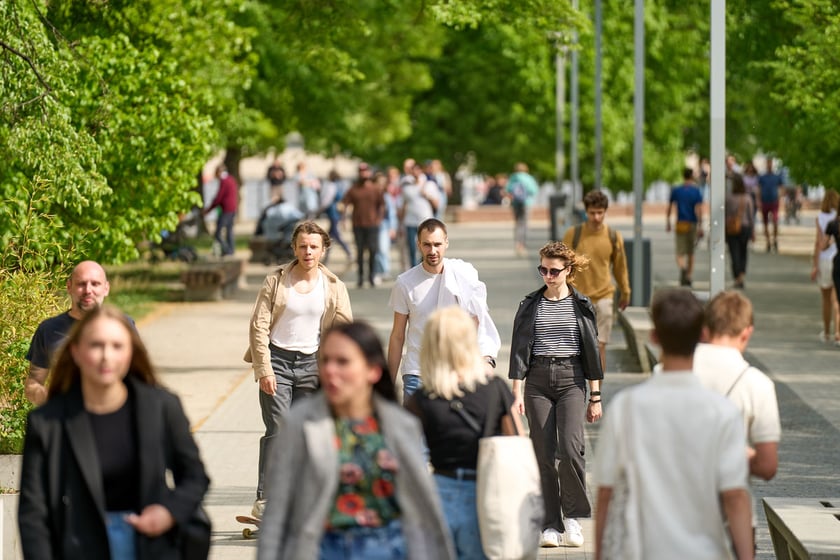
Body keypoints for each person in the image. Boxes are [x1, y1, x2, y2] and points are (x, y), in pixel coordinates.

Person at [18, 306, 210, 560]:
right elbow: (33, 510)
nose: (106, 356)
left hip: (150, 545)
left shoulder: (162, 406)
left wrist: (168, 513)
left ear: (131, 351)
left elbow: (195, 477)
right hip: (78, 546)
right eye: (96, 345)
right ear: (75, 352)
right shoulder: (47, 422)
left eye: (117, 346)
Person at [256, 321, 456, 560]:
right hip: (323, 549)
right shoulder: (299, 424)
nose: (330, 370)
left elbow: (425, 508)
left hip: (389, 549)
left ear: (373, 370)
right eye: (326, 360)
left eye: (343, 361)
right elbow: (277, 512)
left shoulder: (401, 425)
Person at [593, 289, 752, 560]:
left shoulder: (626, 407)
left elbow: (606, 491)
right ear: (702, 335)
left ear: (654, 337)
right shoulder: (722, 413)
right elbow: (735, 496)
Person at [244, 221, 353, 519]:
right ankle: (266, 500)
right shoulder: (276, 281)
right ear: (294, 248)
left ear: (323, 250)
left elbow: (344, 334)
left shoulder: (334, 287)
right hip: (277, 362)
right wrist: (264, 368)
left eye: (314, 246)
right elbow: (259, 325)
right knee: (278, 428)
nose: (308, 251)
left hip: (312, 365)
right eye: (303, 246)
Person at [405, 307, 522, 560]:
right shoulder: (495, 389)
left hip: (439, 495)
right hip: (486, 495)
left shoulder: (422, 398)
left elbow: (401, 458)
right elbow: (518, 444)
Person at [508, 241, 602, 549]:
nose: (548, 276)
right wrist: (516, 392)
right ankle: (550, 523)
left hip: (571, 379)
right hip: (537, 381)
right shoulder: (530, 305)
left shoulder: (582, 305)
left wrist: (595, 396)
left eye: (554, 271)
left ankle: (572, 518)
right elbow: (519, 352)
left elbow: (591, 354)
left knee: (571, 450)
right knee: (543, 453)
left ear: (568, 270)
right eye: (543, 270)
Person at [694, 291, 781, 539]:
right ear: (747, 333)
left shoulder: (667, 373)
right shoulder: (758, 384)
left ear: (705, 329)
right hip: (730, 524)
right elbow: (767, 466)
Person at [388, 218, 501, 402]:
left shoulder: (462, 275)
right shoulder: (404, 283)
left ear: (446, 243)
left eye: (437, 244)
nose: (433, 251)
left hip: (455, 371)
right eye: (427, 245)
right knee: (414, 430)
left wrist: (484, 359)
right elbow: (397, 335)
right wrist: (388, 384)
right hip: (417, 372)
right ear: (418, 245)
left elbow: (478, 322)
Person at [25, 260, 121, 405]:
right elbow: (33, 383)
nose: (88, 290)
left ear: (106, 288)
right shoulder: (48, 329)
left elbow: (139, 379)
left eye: (95, 284)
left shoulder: (122, 327)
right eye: (81, 284)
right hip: (66, 421)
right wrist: (52, 400)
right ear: (69, 287)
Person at [563, 190, 631, 372]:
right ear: (586, 212)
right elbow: (562, 265)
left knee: (599, 346)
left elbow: (620, 267)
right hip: (577, 297)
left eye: (600, 212)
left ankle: (596, 395)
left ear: (606, 212)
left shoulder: (613, 236)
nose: (596, 217)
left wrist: (625, 292)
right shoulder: (573, 234)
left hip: (604, 296)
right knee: (576, 348)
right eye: (592, 212)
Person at [342, 170, 386, 288]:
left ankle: (371, 275)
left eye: (366, 172)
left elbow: (382, 204)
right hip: (358, 224)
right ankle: (360, 277)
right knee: (360, 251)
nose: (364, 175)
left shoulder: (375, 189)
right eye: (361, 172)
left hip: (372, 225)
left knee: (373, 250)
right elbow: (345, 203)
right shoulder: (354, 189)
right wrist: (344, 219)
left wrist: (379, 219)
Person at [666, 167, 704, 286]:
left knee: (679, 252)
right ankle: (688, 275)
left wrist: (667, 221)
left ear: (683, 176)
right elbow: (699, 209)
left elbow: (670, 206)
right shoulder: (696, 191)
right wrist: (700, 225)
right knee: (691, 252)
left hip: (681, 223)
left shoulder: (677, 190)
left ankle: (682, 268)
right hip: (692, 223)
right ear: (692, 176)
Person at [812, 189, 840, 344]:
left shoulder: (821, 218)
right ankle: (838, 332)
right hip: (837, 259)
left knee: (825, 298)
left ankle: (827, 331)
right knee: (836, 299)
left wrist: (814, 265)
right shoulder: (838, 219)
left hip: (824, 259)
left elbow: (818, 243)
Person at [399, 162, 439, 268]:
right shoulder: (406, 186)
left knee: (425, 247)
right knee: (412, 248)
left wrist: (427, 195)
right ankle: (413, 269)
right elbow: (403, 205)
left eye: (418, 170)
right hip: (410, 221)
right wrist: (400, 223)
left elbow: (436, 204)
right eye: (413, 170)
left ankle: (424, 267)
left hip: (425, 221)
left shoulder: (429, 184)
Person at [725, 173, 756, 289]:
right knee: (743, 252)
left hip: (732, 229)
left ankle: (737, 277)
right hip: (745, 227)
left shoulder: (728, 198)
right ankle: (741, 276)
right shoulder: (747, 198)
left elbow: (726, 215)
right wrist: (753, 231)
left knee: (734, 253)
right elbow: (751, 216)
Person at [203, 164, 238, 256]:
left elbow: (219, 197)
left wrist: (209, 209)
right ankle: (231, 250)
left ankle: (227, 250)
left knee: (218, 233)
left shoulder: (224, 181)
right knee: (229, 231)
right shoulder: (231, 179)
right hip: (232, 208)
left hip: (226, 209)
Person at [506, 163, 539, 256]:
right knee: (524, 223)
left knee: (517, 223)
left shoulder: (513, 177)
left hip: (516, 203)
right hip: (526, 203)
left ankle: (517, 243)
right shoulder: (528, 178)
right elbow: (534, 190)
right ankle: (522, 244)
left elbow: (507, 189)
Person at [319, 170, 352, 265]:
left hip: (332, 211)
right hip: (337, 211)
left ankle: (347, 252)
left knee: (334, 235)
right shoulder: (341, 185)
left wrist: (320, 209)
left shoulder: (331, 185)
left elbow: (327, 199)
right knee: (330, 235)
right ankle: (326, 257)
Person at [758, 156, 784, 253]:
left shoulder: (777, 177)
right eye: (768, 163)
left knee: (775, 221)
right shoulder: (762, 177)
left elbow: (781, 188)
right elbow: (759, 189)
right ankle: (768, 242)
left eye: (770, 163)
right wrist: (758, 200)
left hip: (774, 201)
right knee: (765, 223)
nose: (769, 165)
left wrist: (780, 197)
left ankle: (775, 240)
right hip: (764, 201)